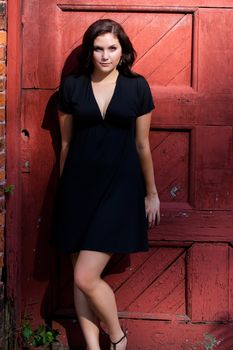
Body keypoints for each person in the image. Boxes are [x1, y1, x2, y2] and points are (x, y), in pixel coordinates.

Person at [54, 19, 160, 350]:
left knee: (86, 276)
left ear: (123, 52)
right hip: (77, 188)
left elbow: (143, 145)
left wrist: (152, 193)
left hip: (120, 189)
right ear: (90, 51)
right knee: (78, 277)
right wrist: (63, 192)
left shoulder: (137, 87)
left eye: (112, 48)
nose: (105, 55)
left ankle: (118, 338)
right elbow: (66, 144)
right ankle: (93, 347)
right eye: (98, 48)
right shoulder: (71, 87)